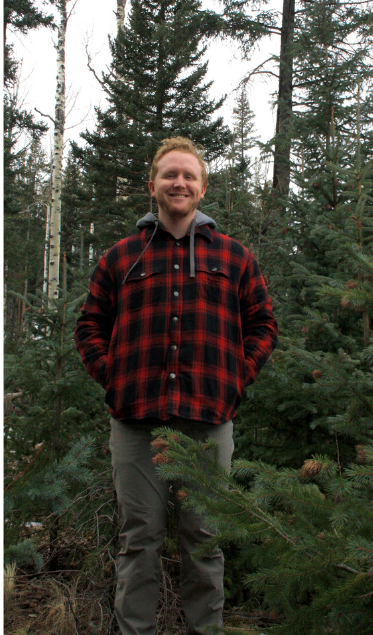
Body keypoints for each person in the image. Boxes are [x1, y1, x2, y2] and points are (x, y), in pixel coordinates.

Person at [75, 137, 277, 635]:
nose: (179, 182)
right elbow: (89, 327)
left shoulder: (234, 257)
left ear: (202, 188)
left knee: (205, 540)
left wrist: (236, 380)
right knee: (138, 540)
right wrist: (113, 378)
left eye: (188, 175)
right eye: (169, 175)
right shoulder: (122, 257)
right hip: (136, 422)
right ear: (153, 187)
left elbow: (264, 326)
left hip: (208, 423)